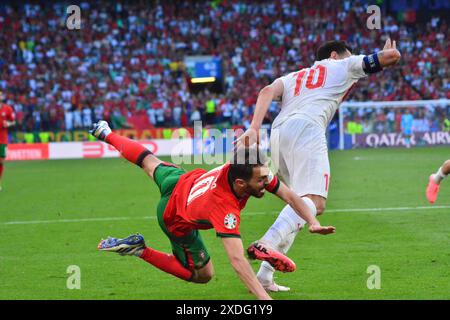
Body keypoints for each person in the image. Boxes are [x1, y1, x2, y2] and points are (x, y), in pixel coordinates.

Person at [90, 120, 335, 300]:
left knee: (148, 160)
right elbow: (237, 260)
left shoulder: (246, 169)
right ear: (240, 184)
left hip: (179, 180)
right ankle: (140, 250)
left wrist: (312, 221)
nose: (267, 183)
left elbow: (289, 194)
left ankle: (106, 133)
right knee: (202, 275)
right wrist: (264, 300)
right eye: (261, 181)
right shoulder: (225, 208)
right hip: (173, 216)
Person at [236, 38, 401, 291]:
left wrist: (254, 127)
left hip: (278, 134)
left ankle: (265, 276)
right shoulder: (342, 66)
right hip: (306, 128)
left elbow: (265, 91)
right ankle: (267, 242)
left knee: (300, 206)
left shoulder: (295, 75)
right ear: (335, 55)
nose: (351, 59)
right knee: (316, 202)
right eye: (348, 55)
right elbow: (391, 58)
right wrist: (390, 53)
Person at [0, 91, 16, 191]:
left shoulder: (8, 108)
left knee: (1, 162)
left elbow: (13, 121)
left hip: (2, 140)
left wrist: (8, 124)